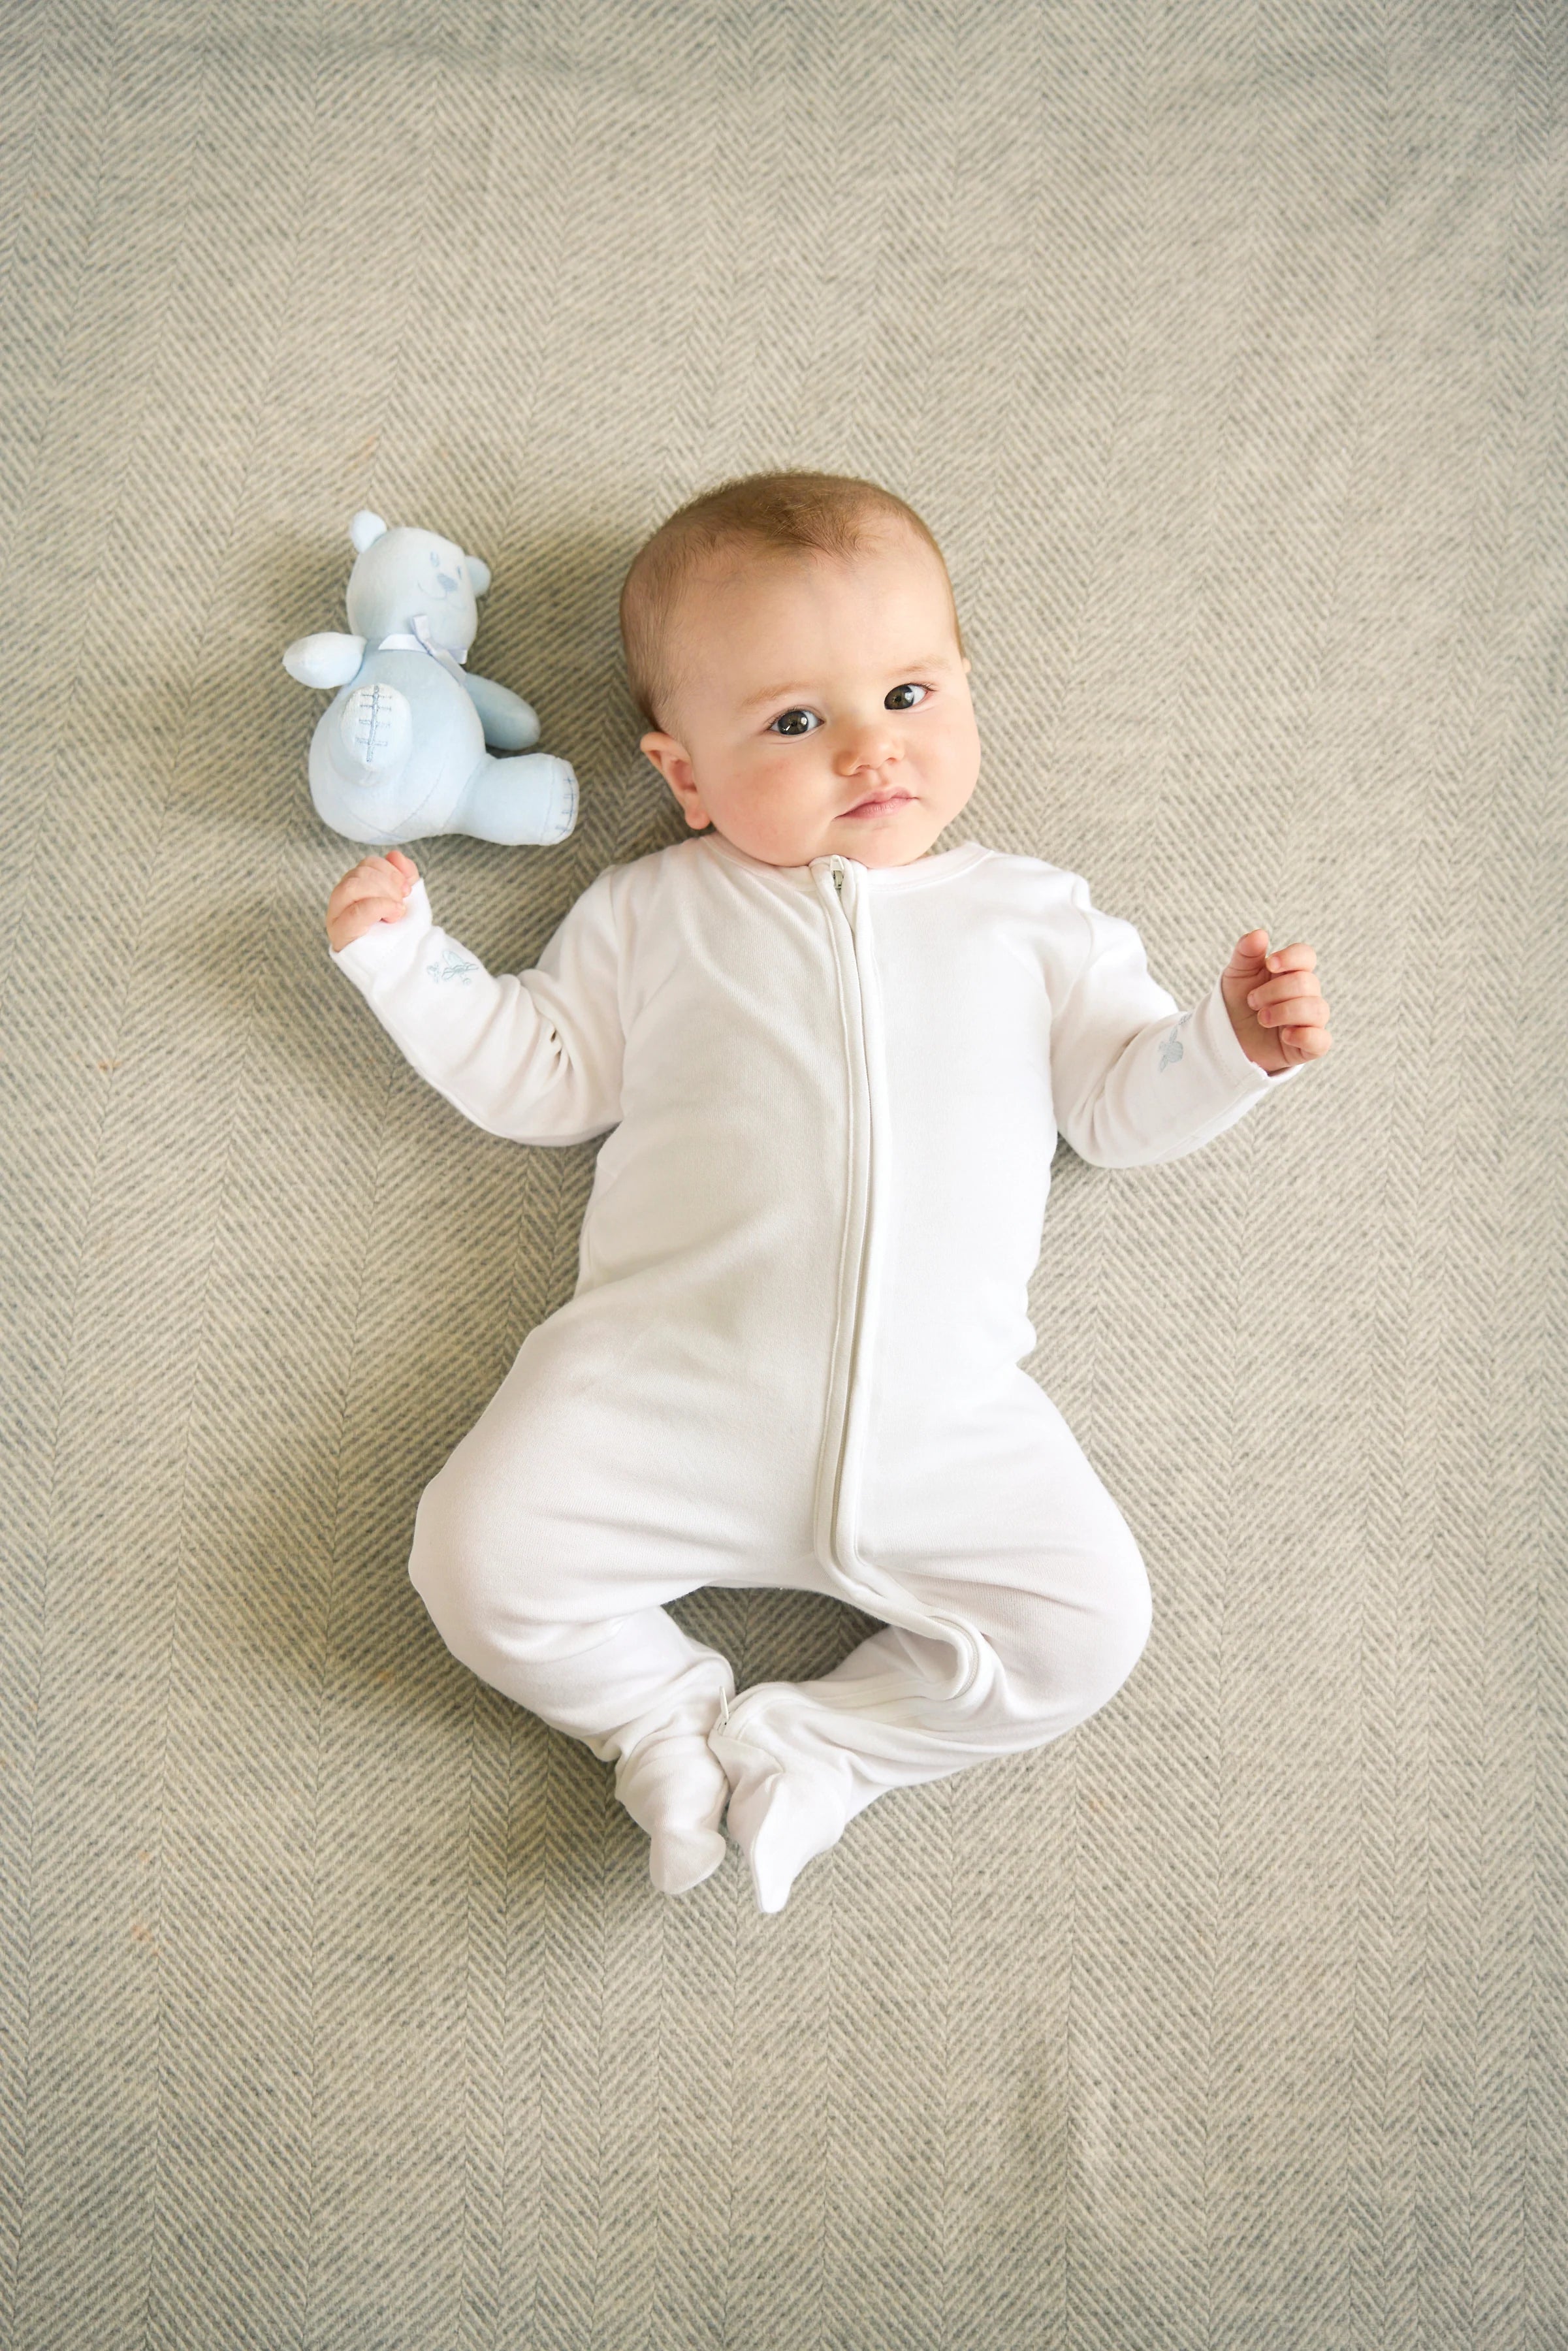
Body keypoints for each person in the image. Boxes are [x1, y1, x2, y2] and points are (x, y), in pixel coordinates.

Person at [323, 472, 1332, 1914]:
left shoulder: (1033, 917)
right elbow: (542, 1076)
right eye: (795, 723)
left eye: (910, 695)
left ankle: (821, 1750)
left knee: (1086, 1632)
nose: (870, 747)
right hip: (658, 1397)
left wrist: (1227, 1048)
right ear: (684, 775)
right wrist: (414, 969)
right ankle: (654, 1721)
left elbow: (1119, 1106)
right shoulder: (653, 912)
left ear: (964, 690)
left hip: (943, 1427)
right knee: (473, 1560)